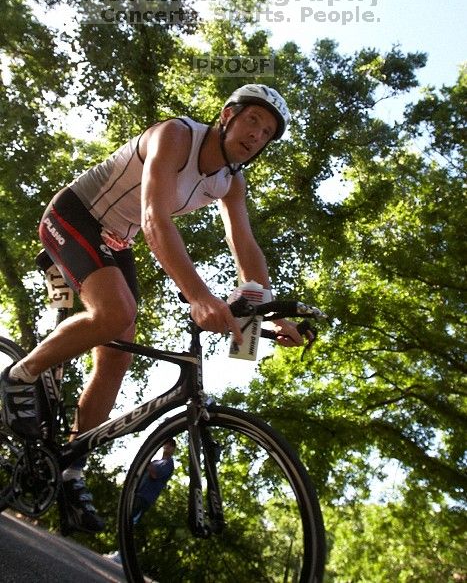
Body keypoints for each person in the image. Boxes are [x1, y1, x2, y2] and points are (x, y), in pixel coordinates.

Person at [0, 83, 311, 532]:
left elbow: (244, 243)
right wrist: (200, 296)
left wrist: (269, 309)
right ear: (227, 116)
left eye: (266, 134)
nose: (256, 136)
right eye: (252, 122)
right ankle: (19, 376)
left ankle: (69, 465)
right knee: (116, 313)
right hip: (74, 214)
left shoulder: (231, 182)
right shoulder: (177, 136)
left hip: (113, 240)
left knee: (118, 354)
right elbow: (154, 220)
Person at [104, 438, 177, 565]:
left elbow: (154, 474)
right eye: (166, 443)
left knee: (130, 523)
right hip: (138, 494)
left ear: (173, 449)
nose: (167, 446)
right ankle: (120, 552)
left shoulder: (168, 464)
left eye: (171, 445)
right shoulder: (157, 461)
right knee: (126, 520)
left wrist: (146, 461)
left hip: (145, 498)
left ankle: (123, 556)